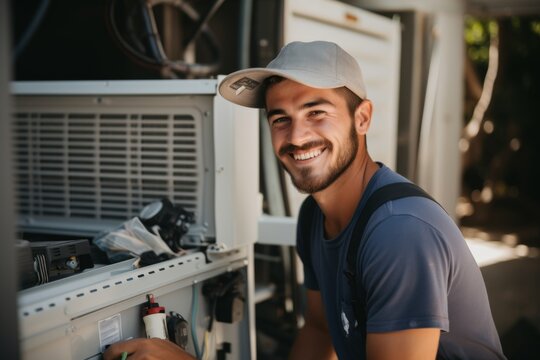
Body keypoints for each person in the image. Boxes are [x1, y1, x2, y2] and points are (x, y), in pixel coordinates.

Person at [105, 40, 506, 359]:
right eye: (280, 119)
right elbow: (319, 331)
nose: (296, 137)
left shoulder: (399, 232)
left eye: (316, 112)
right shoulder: (314, 216)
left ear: (362, 118)